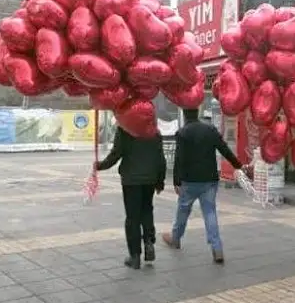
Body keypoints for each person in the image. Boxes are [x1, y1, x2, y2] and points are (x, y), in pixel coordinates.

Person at [162, 108, 247, 264]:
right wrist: (238, 164)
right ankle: (217, 248)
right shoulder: (210, 130)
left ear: (185, 116)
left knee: (183, 210)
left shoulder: (182, 133)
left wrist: (176, 181)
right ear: (198, 113)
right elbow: (224, 149)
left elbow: (179, 159)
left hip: (189, 181)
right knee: (210, 212)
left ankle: (175, 238)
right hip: (209, 180)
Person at [96, 126, 166, 269]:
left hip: (131, 180)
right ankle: (148, 242)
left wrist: (100, 166)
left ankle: (134, 257)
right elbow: (160, 158)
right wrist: (160, 181)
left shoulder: (125, 129)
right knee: (147, 210)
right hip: (150, 178)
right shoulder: (154, 131)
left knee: (132, 217)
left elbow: (116, 154)